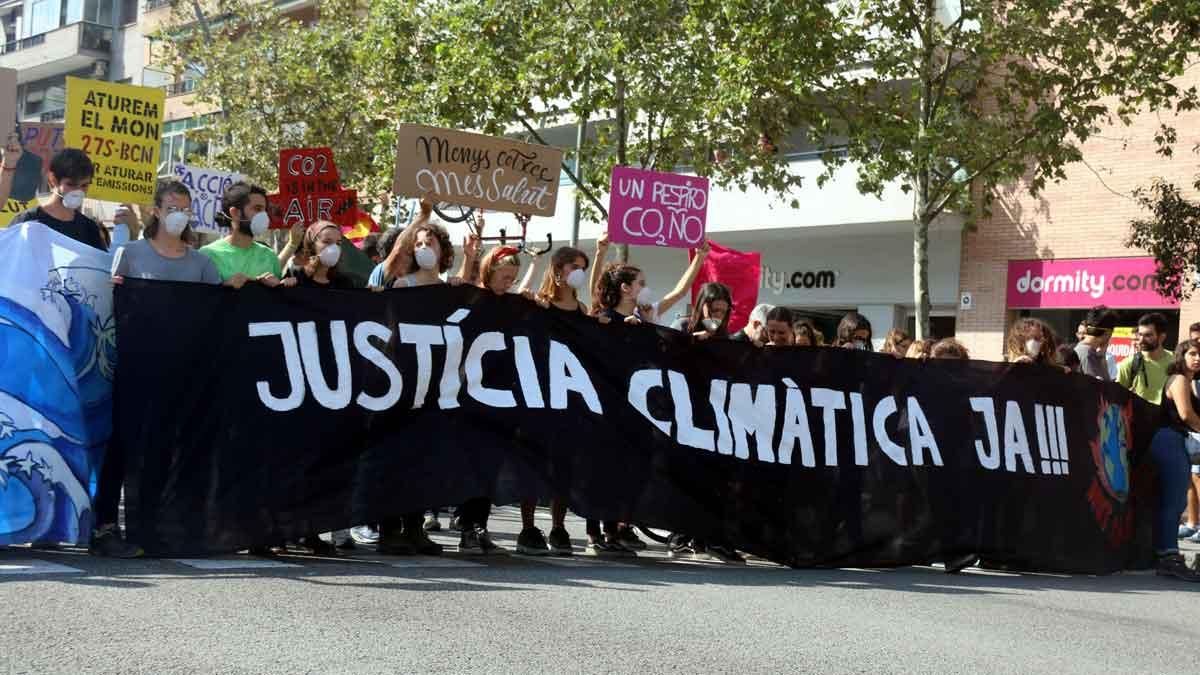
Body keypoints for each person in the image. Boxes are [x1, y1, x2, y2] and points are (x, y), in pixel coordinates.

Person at [97, 182, 221, 559]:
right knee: (123, 444)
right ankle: (104, 527)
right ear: (156, 211)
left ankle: (151, 527)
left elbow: (217, 313)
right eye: (171, 207)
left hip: (182, 374)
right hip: (136, 370)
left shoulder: (201, 263)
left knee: (165, 449)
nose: (178, 214)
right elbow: (110, 304)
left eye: (185, 207)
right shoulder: (129, 255)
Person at [588, 241, 712, 556]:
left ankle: (617, 528)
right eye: (641, 283)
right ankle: (596, 533)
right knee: (602, 466)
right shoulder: (602, 318)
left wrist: (699, 258)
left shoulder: (647, 317)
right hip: (605, 404)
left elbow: (680, 292)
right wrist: (600, 253)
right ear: (626, 288)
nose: (647, 288)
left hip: (638, 406)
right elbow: (594, 293)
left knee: (629, 469)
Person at [511, 245, 599, 557]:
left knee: (563, 465)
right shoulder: (540, 305)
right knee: (533, 462)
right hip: (538, 396)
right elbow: (519, 298)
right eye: (575, 266)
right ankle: (528, 527)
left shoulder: (583, 312)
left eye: (583, 266)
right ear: (559, 269)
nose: (580, 272)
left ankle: (559, 528)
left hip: (569, 399)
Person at [1146, 340, 1200, 580]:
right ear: (1181, 355)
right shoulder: (1179, 379)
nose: (1197, 358)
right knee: (1174, 500)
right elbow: (1186, 414)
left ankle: (1166, 553)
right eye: (1193, 353)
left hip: (1177, 441)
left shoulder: (1190, 382)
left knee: (1176, 501)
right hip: (1169, 440)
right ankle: (1168, 557)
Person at [10, 148, 106, 250]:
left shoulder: (90, 229)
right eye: (71, 184)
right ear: (53, 180)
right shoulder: (27, 222)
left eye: (84, 185)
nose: (78, 191)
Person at [200, 182, 292, 288]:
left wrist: (282, 286)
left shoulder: (269, 256)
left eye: (265, 210)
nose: (264, 215)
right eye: (257, 209)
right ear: (235, 213)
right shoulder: (208, 255)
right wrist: (224, 286)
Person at [1117, 313, 1173, 405]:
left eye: (1148, 335)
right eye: (1140, 334)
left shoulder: (1176, 361)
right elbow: (1117, 398)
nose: (1141, 340)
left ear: (1162, 337)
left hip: (1169, 417)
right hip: (1139, 417)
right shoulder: (1129, 364)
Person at [284, 221, 356, 289]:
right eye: (327, 242)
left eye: (338, 243)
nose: (334, 248)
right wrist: (284, 286)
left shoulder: (345, 283)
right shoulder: (295, 278)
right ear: (312, 245)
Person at [1074, 306, 1118, 380]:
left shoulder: (1086, 351)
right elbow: (1105, 388)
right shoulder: (1088, 354)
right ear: (1108, 333)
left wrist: (1102, 356)